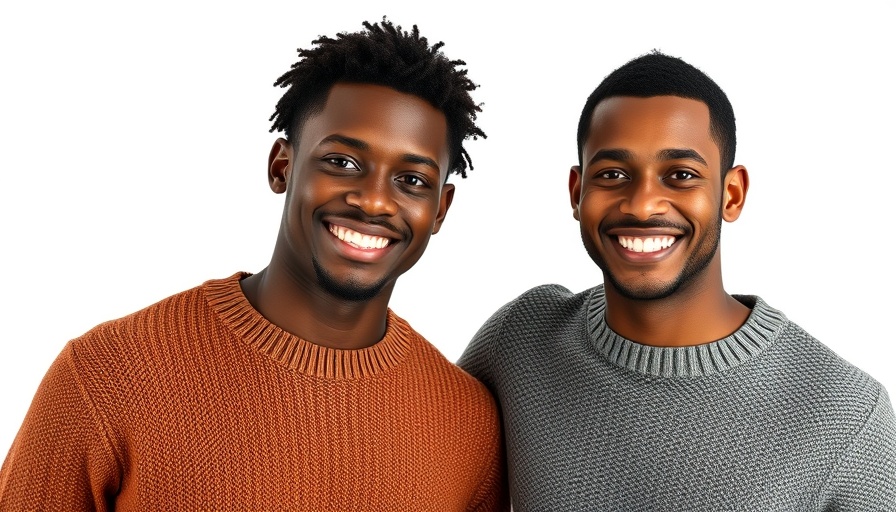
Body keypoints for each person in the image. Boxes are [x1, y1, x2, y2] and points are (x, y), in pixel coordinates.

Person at [0, 19, 507, 511]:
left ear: (440, 209)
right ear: (281, 166)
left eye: (412, 180)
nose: (373, 202)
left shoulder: (469, 424)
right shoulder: (105, 376)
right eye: (343, 162)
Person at [458, 51, 896, 510]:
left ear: (731, 194)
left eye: (681, 175)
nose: (643, 204)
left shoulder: (845, 413)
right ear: (577, 191)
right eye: (612, 174)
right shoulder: (523, 338)